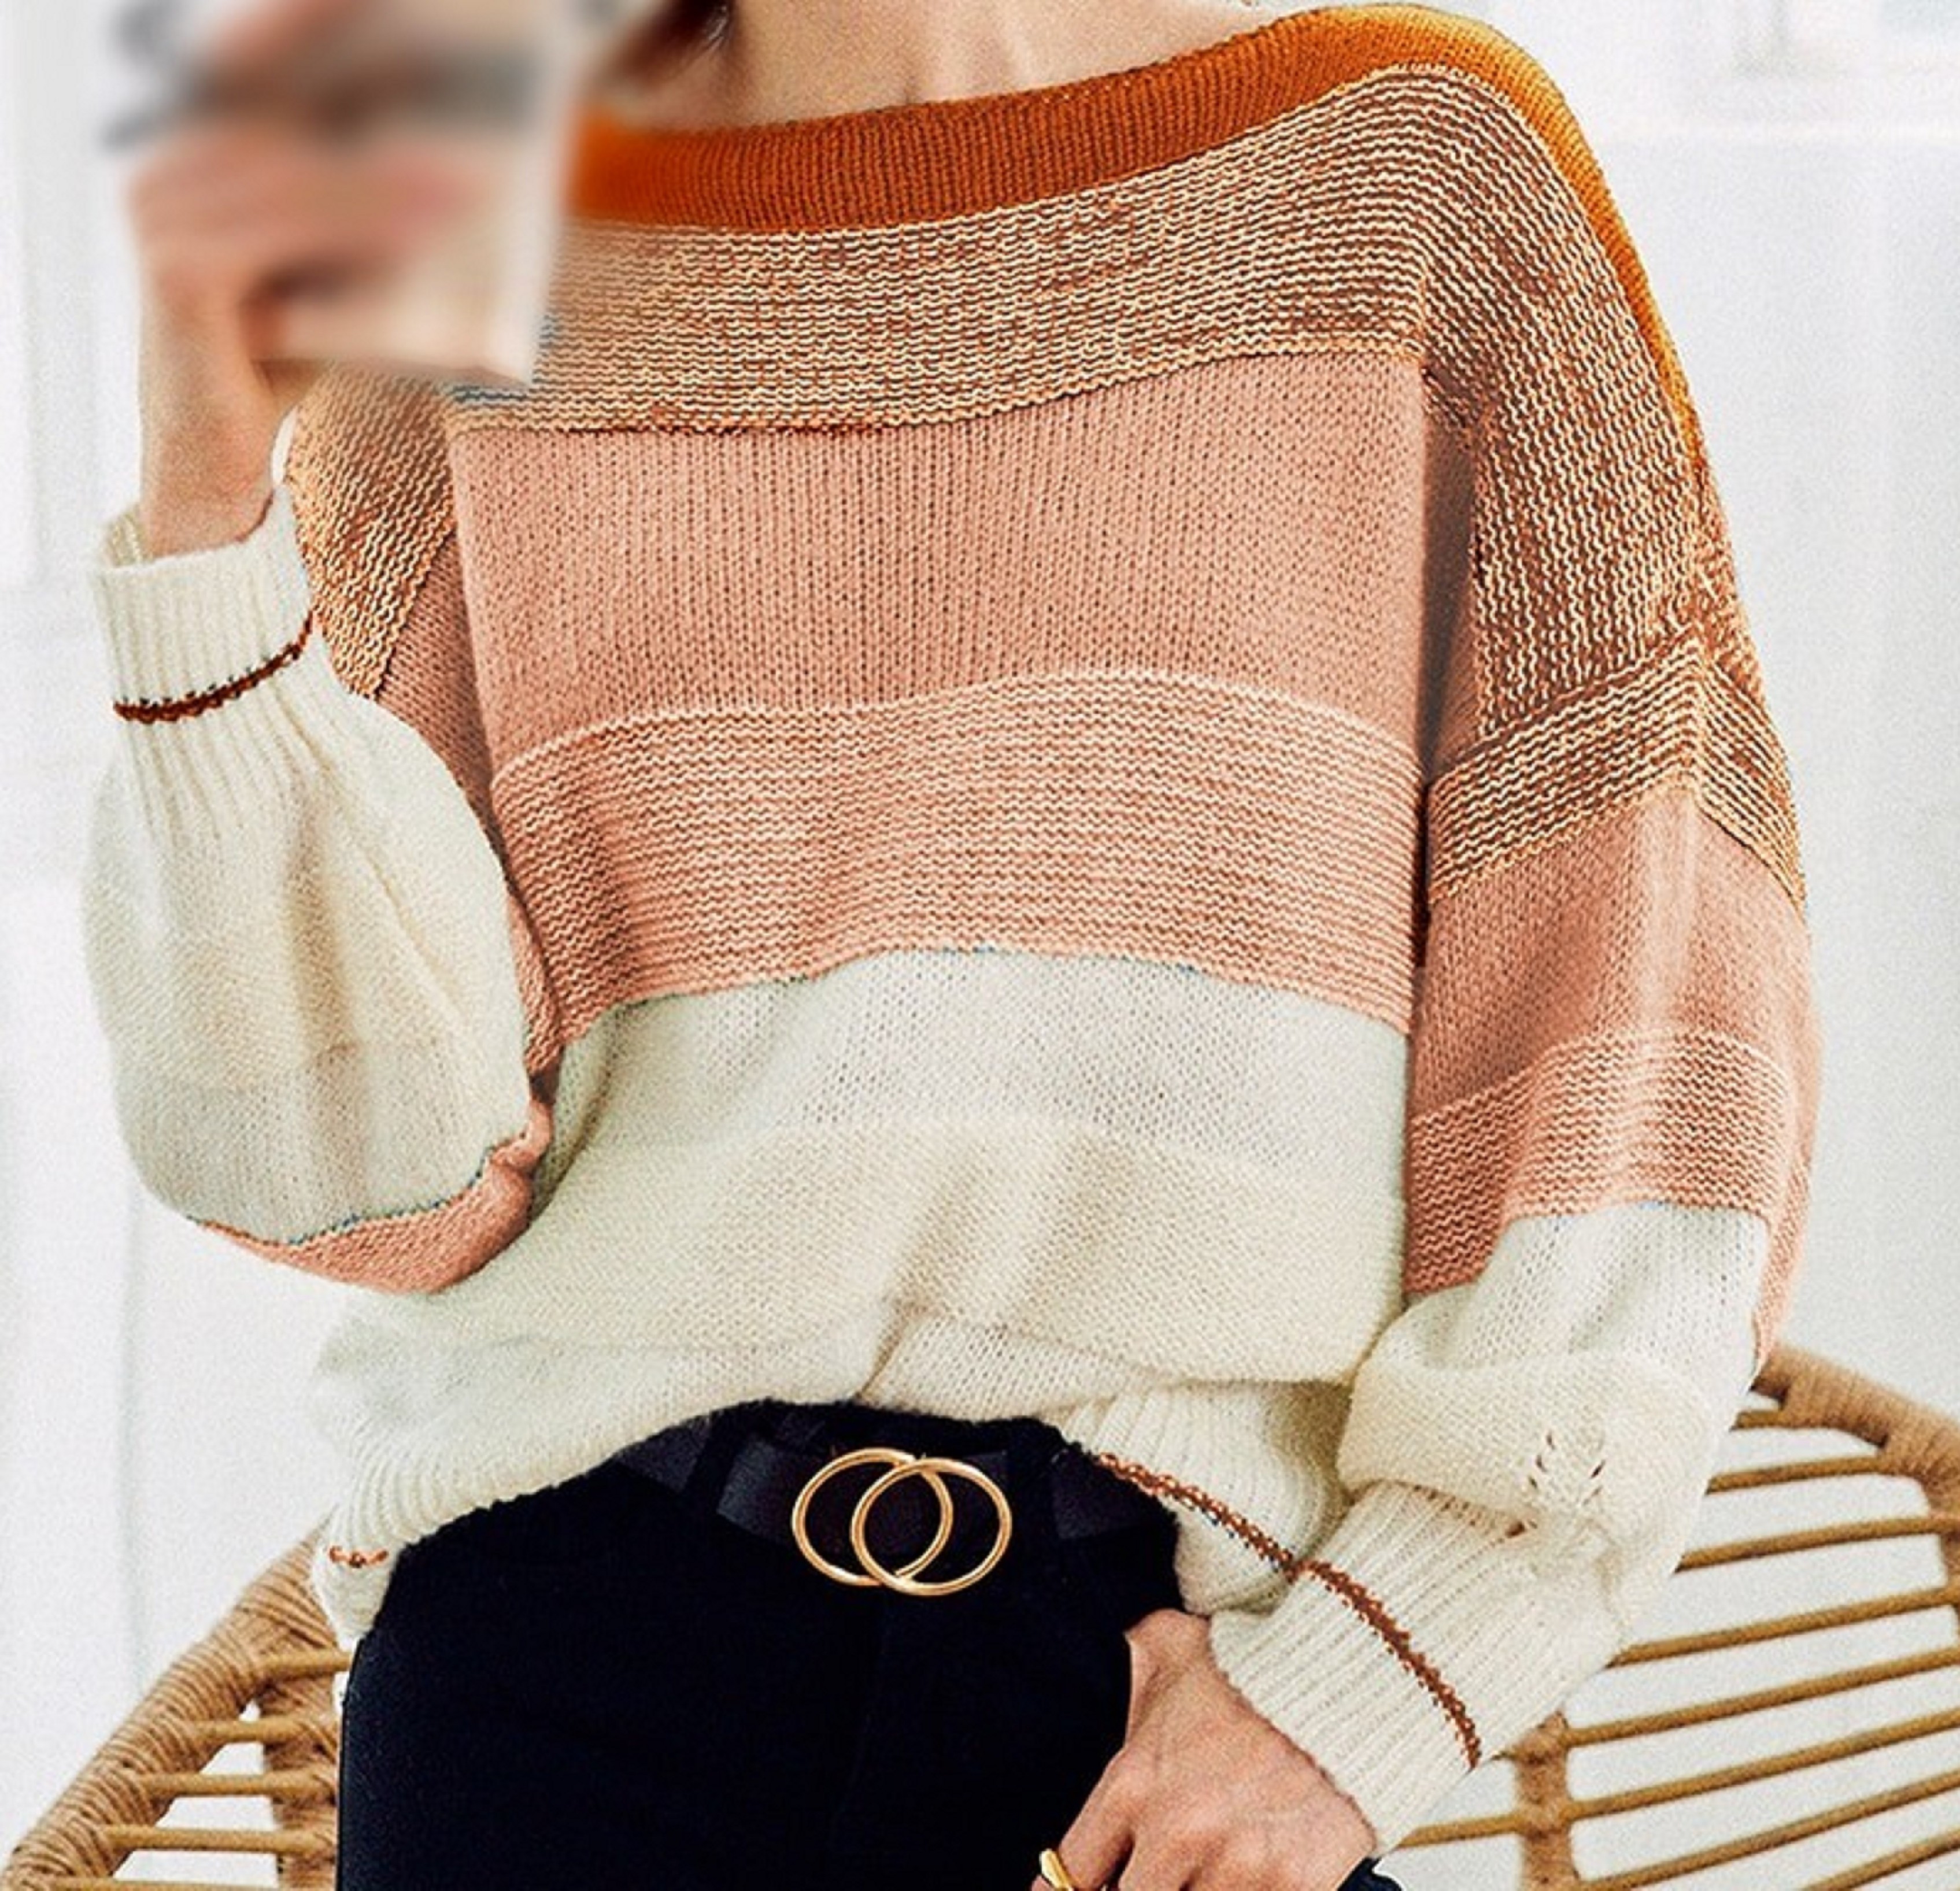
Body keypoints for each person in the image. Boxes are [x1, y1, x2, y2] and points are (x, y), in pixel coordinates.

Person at [80, 0, 1825, 1886]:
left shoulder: (1406, 174)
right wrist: (203, 514)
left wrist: (1374, 1681)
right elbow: (375, 1192)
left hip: (1149, 1689)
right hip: (558, 1670)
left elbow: (1646, 1027)